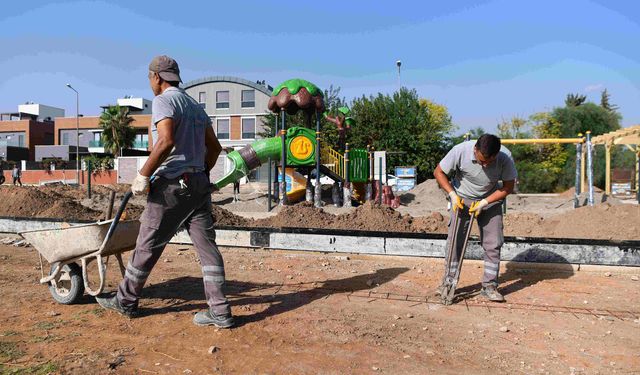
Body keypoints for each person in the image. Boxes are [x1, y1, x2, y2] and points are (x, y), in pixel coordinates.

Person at [96, 55, 234, 328]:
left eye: (149, 78)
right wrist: (202, 174)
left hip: (172, 184)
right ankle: (220, 311)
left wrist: (143, 174)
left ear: (156, 77)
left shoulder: (164, 101)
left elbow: (166, 140)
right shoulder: (195, 106)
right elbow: (215, 148)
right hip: (197, 185)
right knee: (207, 248)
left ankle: (125, 301)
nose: (150, 82)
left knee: (148, 242)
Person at [433, 134, 517, 302]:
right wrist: (452, 195)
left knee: (493, 243)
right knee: (455, 242)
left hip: (490, 199)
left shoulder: (505, 157)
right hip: (461, 199)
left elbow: (508, 186)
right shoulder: (460, 151)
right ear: (475, 149)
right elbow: (438, 172)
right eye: (481, 161)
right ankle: (448, 282)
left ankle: (489, 286)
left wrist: (484, 202)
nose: (484, 165)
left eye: (489, 162)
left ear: (497, 154)